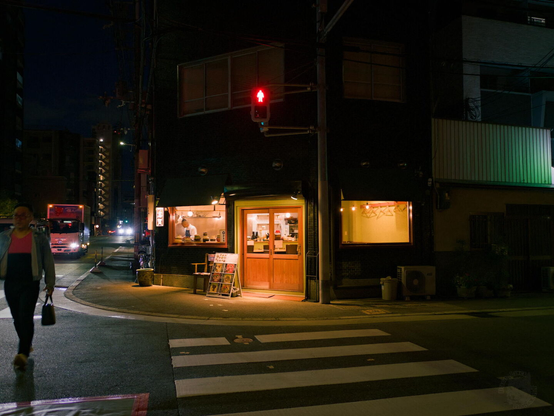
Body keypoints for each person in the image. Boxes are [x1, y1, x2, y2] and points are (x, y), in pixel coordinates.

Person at [0, 203, 56, 371]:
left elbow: (48, 261)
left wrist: (50, 282)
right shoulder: (4, 237)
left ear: (31, 218)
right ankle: (27, 342)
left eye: (23, 215)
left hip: (30, 283)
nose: (19, 218)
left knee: (25, 316)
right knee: (17, 317)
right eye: (16, 215)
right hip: (10, 282)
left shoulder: (39, 238)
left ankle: (22, 354)